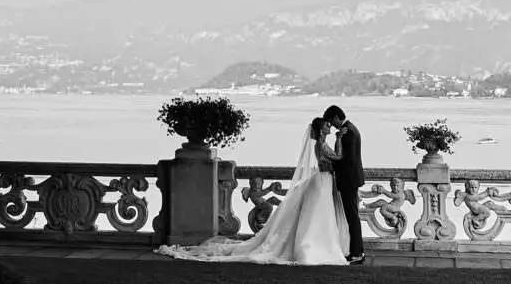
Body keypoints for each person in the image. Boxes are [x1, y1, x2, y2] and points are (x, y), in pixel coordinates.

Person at [155, 117, 351, 265]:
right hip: (322, 181)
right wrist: (340, 138)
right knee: (318, 215)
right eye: (327, 125)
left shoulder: (320, 144)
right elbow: (339, 157)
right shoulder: (322, 145)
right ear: (321, 129)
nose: (330, 127)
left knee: (319, 216)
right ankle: (315, 246)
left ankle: (319, 244)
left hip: (324, 180)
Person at [324, 104, 366, 264]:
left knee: (352, 217)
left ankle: (356, 254)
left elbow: (347, 160)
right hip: (351, 178)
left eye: (331, 121)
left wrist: (332, 165)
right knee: (352, 216)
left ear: (336, 117)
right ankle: (358, 251)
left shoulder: (348, 133)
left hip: (348, 179)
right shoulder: (350, 128)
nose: (331, 125)